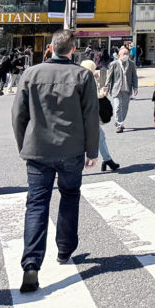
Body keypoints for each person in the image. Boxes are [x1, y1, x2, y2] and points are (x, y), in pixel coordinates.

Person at [12, 29, 99, 294]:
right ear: (73, 49)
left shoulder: (31, 74)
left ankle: (31, 264)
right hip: (71, 149)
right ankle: (64, 249)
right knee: (70, 195)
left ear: (50, 48)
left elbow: (18, 115)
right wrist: (92, 151)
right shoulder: (82, 75)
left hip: (38, 149)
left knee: (36, 204)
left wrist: (23, 146)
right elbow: (91, 116)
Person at [106, 47, 138, 133]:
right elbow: (109, 77)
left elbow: (134, 77)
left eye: (127, 54)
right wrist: (106, 86)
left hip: (127, 89)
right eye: (124, 54)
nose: (126, 55)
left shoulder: (131, 64)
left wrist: (135, 87)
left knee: (125, 107)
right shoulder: (114, 64)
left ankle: (120, 120)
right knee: (117, 107)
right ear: (119, 55)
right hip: (116, 89)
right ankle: (119, 124)